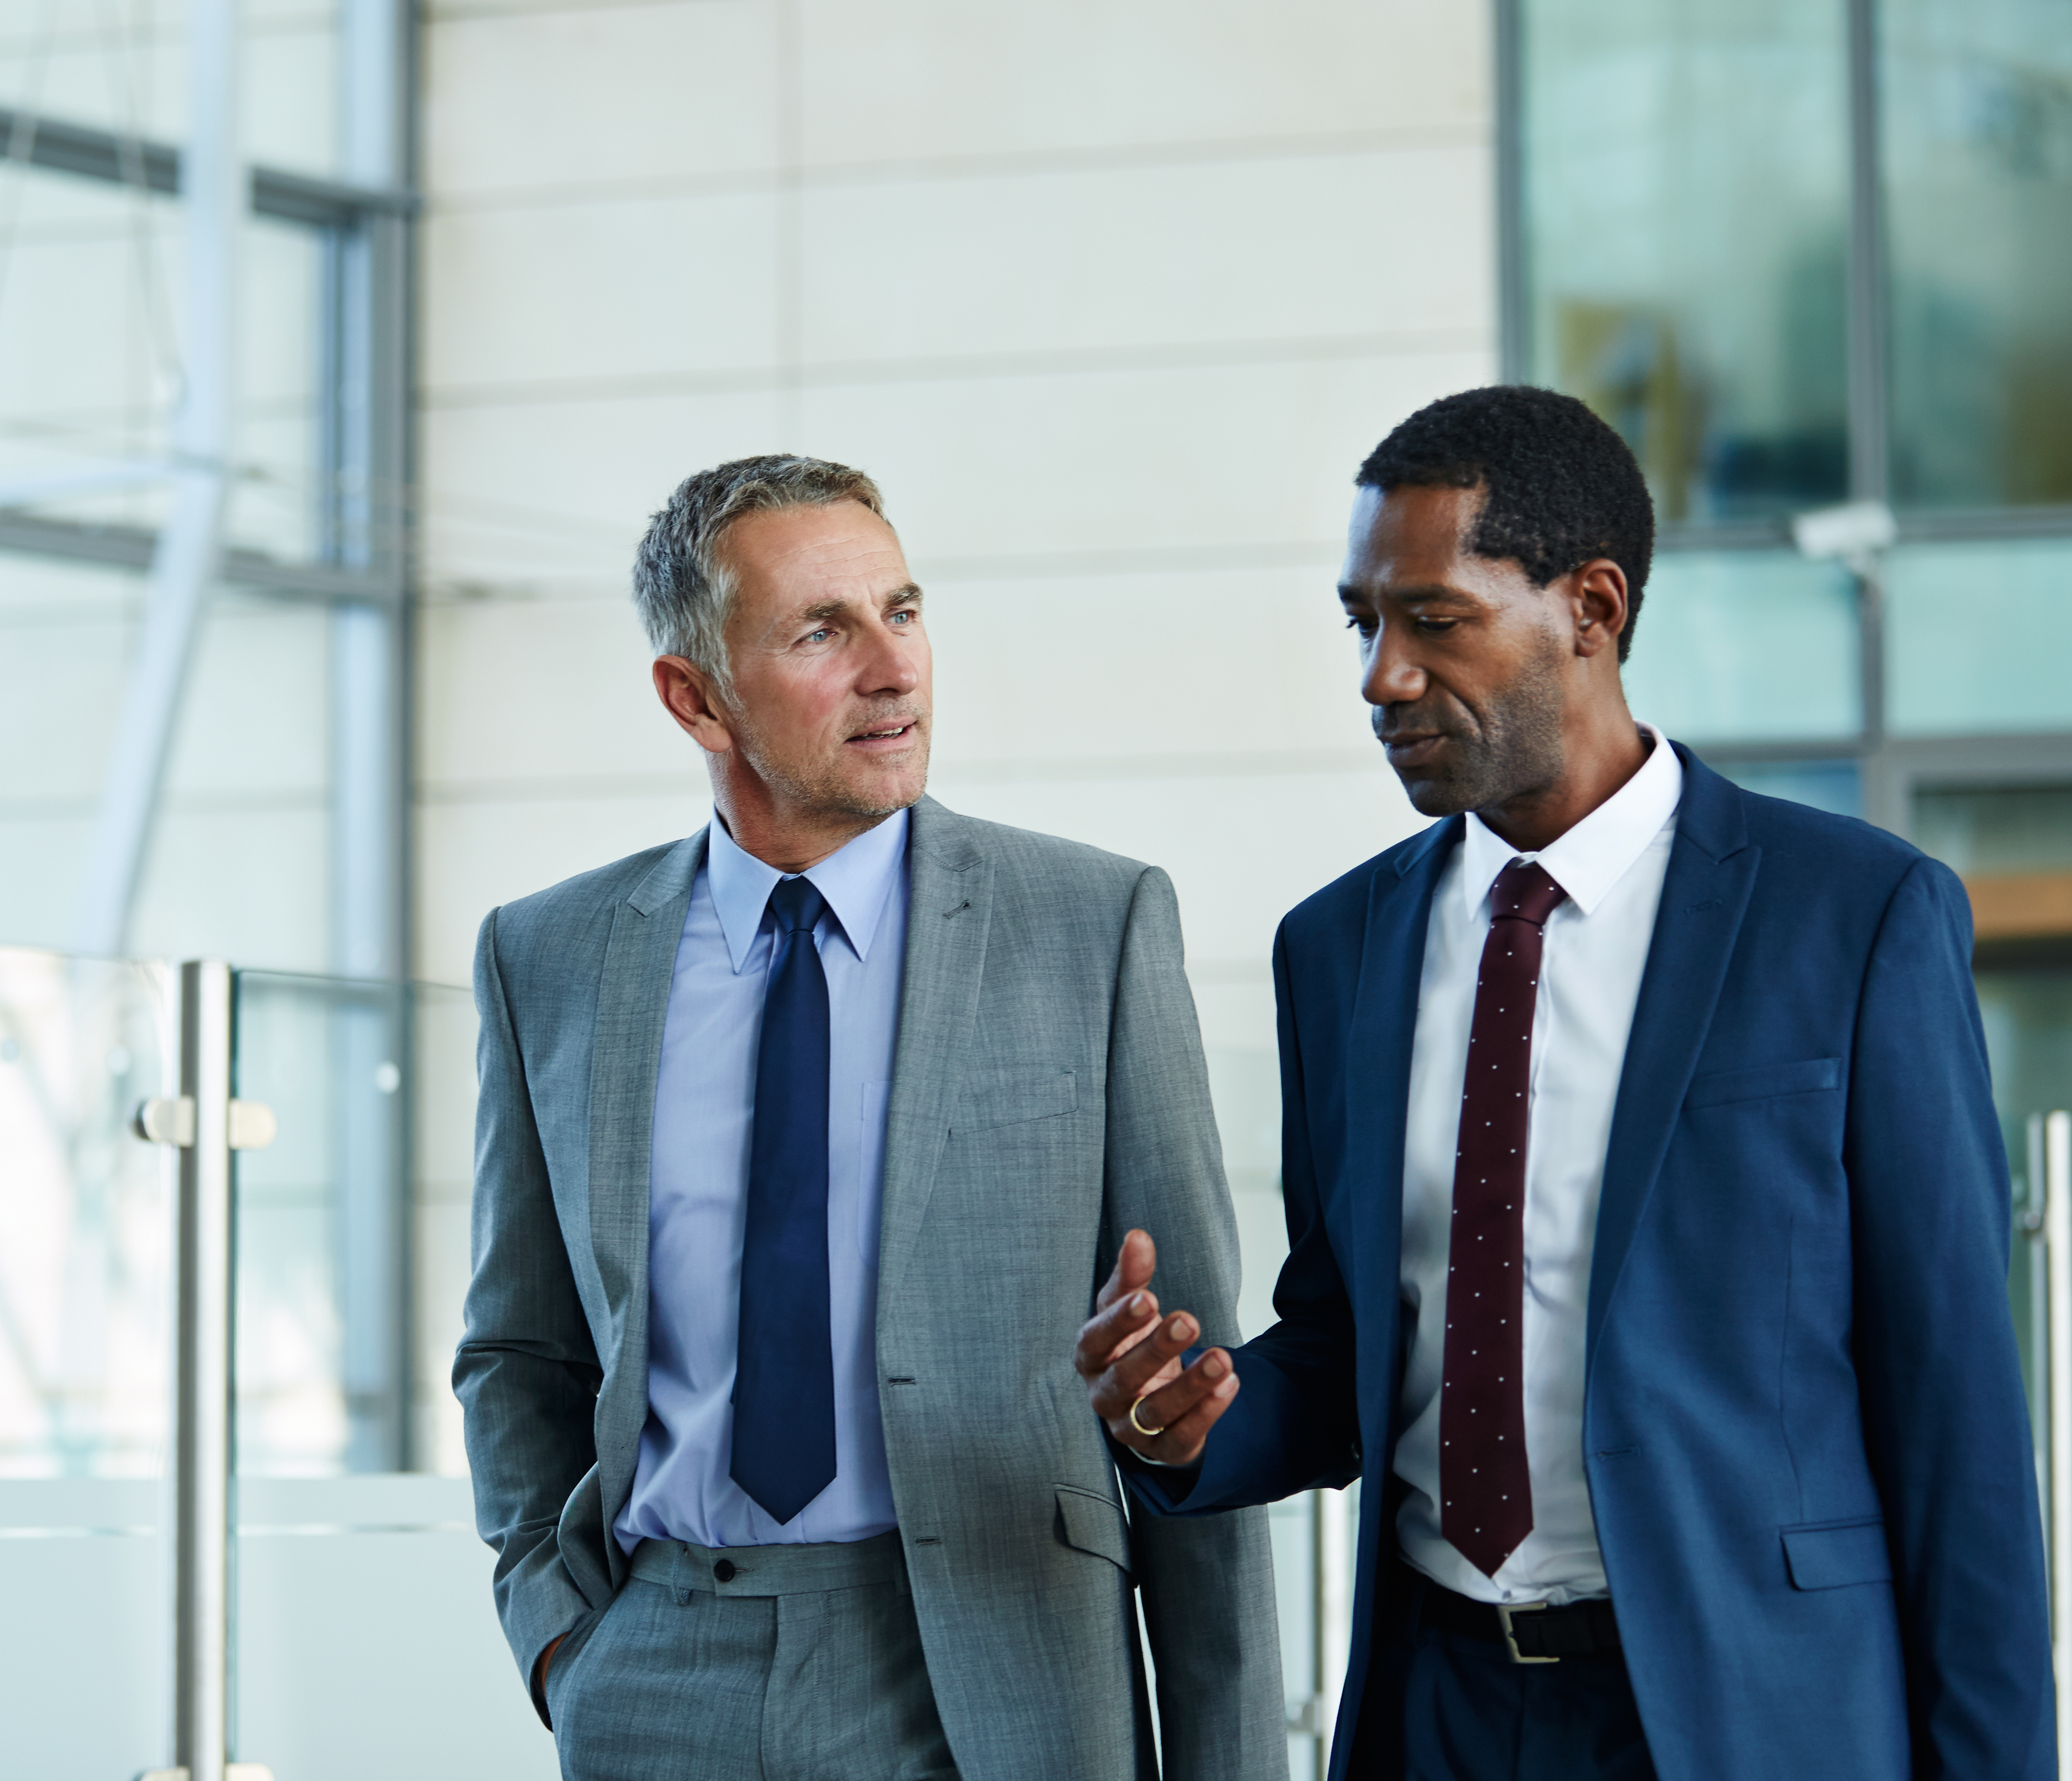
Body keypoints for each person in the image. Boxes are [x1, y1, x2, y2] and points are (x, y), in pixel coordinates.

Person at [1077, 387, 2053, 1780]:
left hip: (1745, 1718)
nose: (1381, 678)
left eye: (1434, 620)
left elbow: (1956, 1420)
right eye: (1364, 624)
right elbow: (1354, 1337)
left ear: (1590, 606)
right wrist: (1199, 1421)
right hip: (1436, 1714)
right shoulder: (1337, 949)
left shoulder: (1857, 917)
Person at [456, 455, 1282, 1781]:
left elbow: (1194, 1384)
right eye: (822, 632)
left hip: (1000, 1672)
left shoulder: (1092, 926)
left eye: (902, 611)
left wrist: (1230, 1762)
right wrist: (560, 1636)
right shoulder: (546, 957)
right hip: (659, 1667)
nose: (893, 670)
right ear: (696, 697)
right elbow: (517, 1348)